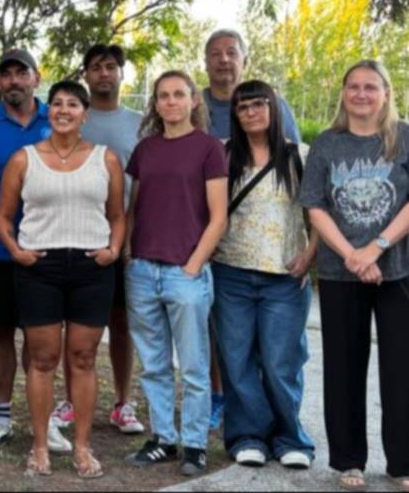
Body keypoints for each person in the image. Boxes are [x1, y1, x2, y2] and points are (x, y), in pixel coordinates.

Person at [0, 80, 126, 479]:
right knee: (43, 358)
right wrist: (16, 251)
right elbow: (3, 217)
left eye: (72, 104)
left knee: (83, 358)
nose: (63, 110)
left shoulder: (106, 159)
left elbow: (118, 215)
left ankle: (83, 448)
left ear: (85, 114)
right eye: (56, 103)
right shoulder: (24, 159)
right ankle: (39, 447)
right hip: (40, 267)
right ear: (47, 111)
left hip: (92, 266)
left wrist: (113, 249)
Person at [300, 60, 409, 492]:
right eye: (353, 87)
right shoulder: (327, 143)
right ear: (343, 93)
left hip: (398, 270)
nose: (361, 94)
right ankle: (349, 459)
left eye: (370, 87)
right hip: (340, 271)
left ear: (386, 93)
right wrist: (353, 256)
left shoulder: (405, 137)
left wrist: (375, 248)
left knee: (401, 367)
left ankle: (402, 463)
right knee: (343, 366)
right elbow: (314, 204)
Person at [0, 48, 70, 452]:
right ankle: (1, 416)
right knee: (0, 333)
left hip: (48, 249)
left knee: (43, 339)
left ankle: (43, 419)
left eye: (21, 73)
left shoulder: (56, 119)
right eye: (6, 75)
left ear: (36, 78)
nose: (14, 81)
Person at [124, 70, 228, 477]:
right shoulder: (145, 149)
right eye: (163, 95)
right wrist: (129, 255)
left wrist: (194, 264)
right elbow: (133, 208)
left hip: (185, 271)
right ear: (155, 103)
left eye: (178, 94)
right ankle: (164, 439)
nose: (170, 102)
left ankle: (195, 445)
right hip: (142, 270)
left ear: (193, 100)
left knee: (194, 366)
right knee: (153, 364)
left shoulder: (208, 148)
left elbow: (218, 216)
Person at [212, 80, 316, 470]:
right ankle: (247, 436)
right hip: (231, 272)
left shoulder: (300, 155)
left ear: (274, 108)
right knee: (236, 360)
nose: (251, 112)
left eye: (258, 104)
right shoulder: (222, 154)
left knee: (280, 361)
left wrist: (310, 255)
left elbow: (318, 212)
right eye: (242, 107)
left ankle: (290, 438)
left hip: (285, 275)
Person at [68, 44, 144, 436]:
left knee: (121, 322)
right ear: (85, 74)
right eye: (96, 67)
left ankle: (122, 402)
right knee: (75, 322)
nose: (103, 73)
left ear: (121, 74)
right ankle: (70, 401)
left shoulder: (140, 123)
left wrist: (130, 237)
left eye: (111, 66)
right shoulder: (73, 117)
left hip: (124, 237)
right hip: (76, 233)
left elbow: (145, 183)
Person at [203, 28, 302, 142]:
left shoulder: (273, 105)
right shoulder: (192, 108)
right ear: (206, 64)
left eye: (231, 53)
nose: (224, 59)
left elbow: (294, 151)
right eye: (215, 54)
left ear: (245, 62)